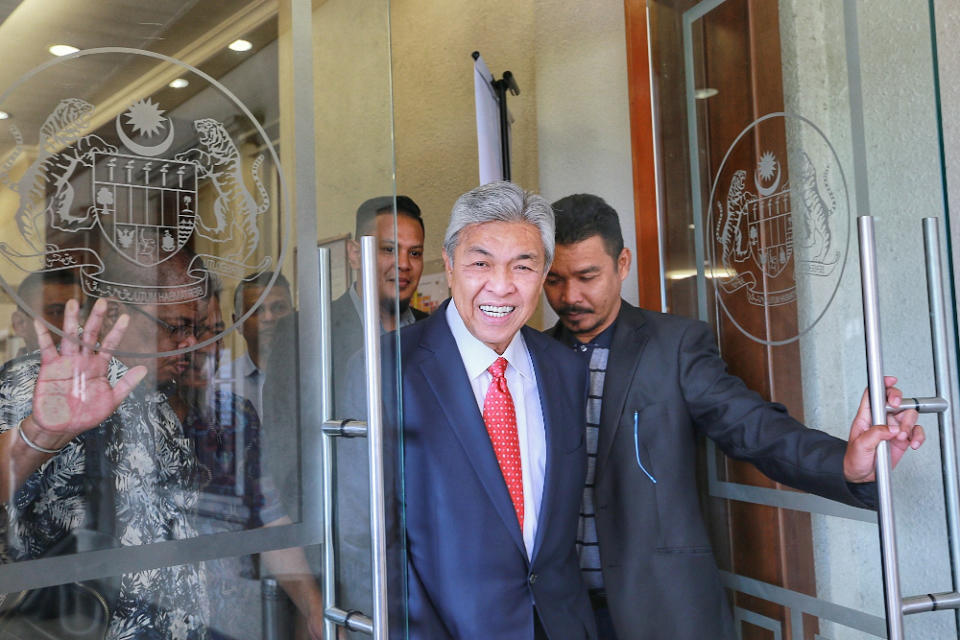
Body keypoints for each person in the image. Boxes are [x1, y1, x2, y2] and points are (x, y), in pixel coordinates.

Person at [542, 193, 926, 640]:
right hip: (561, 613)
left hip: (662, 610)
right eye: (554, 280)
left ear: (622, 263)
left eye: (587, 276)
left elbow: (752, 427)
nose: (570, 296)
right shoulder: (532, 358)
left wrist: (845, 463)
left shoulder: (675, 345)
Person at [394, 181, 596, 638]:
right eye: (480, 263)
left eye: (522, 266)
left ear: (544, 272)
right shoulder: (391, 367)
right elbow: (369, 533)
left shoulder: (565, 368)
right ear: (448, 266)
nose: (501, 286)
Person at [0, 250, 211, 638]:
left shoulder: (149, 391)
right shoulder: (35, 384)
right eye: (176, 326)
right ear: (115, 315)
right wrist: (40, 434)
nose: (190, 341)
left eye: (196, 327)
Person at [173, 285, 323, 640]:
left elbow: (267, 517)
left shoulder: (234, 416)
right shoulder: (127, 424)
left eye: (212, 332)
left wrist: (314, 609)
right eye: (184, 331)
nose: (201, 348)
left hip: (234, 622)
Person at [330, 194, 427, 411]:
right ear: (355, 255)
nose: (404, 264)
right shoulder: (311, 333)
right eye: (389, 249)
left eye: (414, 253)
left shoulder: (436, 332)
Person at [221, 271, 293, 417]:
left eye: (279, 308)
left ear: (293, 314)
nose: (269, 317)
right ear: (238, 323)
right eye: (257, 310)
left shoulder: (315, 373)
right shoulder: (224, 383)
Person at [9, 269, 84, 356]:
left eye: (82, 314)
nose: (77, 327)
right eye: (56, 312)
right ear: (20, 324)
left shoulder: (98, 367)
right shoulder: (12, 368)